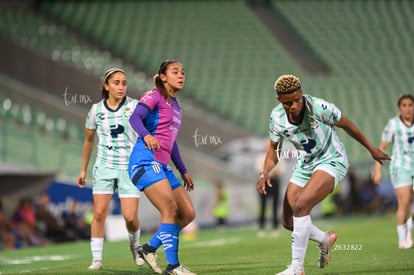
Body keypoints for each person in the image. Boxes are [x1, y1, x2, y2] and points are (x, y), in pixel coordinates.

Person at [257, 74, 390, 275]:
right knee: (287, 221)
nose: (292, 106)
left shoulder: (319, 107)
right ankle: (324, 239)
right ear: (279, 101)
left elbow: (348, 124)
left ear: (301, 93)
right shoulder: (276, 117)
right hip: (306, 163)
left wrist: (371, 149)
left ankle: (296, 268)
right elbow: (274, 150)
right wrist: (265, 171)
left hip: (331, 159)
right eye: (287, 103)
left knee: (301, 206)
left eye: (296, 100)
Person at [128, 59, 196, 275]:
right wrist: (146, 135)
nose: (181, 75)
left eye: (183, 72)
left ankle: (148, 248)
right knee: (170, 210)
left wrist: (183, 170)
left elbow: (171, 142)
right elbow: (135, 117)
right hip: (145, 161)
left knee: (187, 214)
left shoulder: (176, 107)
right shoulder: (154, 95)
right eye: (176, 71)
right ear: (163, 77)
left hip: (162, 165)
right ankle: (173, 267)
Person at [77, 68, 144, 270]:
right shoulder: (96, 110)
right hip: (104, 166)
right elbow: (89, 140)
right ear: (106, 86)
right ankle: (96, 259)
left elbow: (148, 132)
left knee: (130, 217)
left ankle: (135, 246)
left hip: (129, 167)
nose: (121, 87)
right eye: (116, 83)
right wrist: (83, 170)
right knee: (98, 213)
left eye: (124, 83)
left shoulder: (135, 106)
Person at [372, 94, 414, 249]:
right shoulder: (393, 124)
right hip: (400, 167)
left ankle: (408, 226)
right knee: (404, 203)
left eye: (410, 105)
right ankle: (402, 240)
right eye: (404, 105)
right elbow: (382, 148)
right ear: (399, 108)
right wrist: (377, 170)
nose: (408, 108)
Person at [255, 140, 284, 237]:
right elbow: (259, 169)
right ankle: (261, 227)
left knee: (275, 206)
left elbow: (281, 170)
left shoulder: (277, 157)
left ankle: (275, 227)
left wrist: (271, 172)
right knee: (263, 206)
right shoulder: (260, 157)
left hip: (274, 182)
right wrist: (267, 173)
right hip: (264, 182)